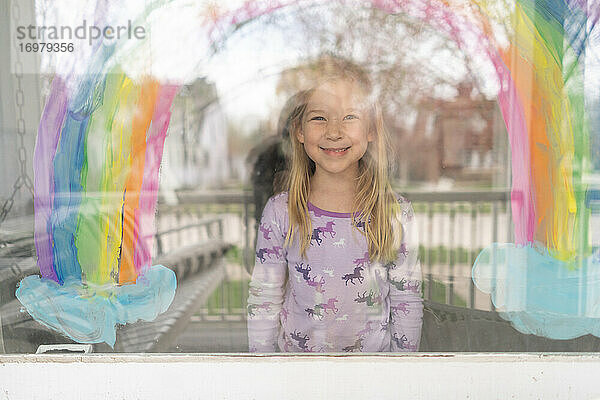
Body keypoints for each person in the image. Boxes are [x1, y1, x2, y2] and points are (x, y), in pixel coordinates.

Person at [247, 57, 422, 352]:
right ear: (299, 130)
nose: (334, 131)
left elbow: (406, 297)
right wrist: (263, 369)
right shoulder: (281, 212)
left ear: (371, 129)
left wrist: (401, 372)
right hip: (299, 375)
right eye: (319, 118)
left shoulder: (395, 213)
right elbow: (265, 297)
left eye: (350, 116)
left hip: (372, 376)